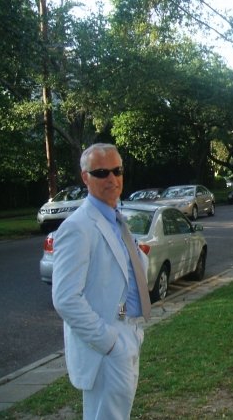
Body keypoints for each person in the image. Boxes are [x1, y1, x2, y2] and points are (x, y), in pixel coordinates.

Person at [52, 143, 151, 420]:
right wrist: (109, 341)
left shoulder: (116, 219)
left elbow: (117, 280)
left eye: (117, 170)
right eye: (101, 172)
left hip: (128, 330)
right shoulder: (77, 227)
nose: (112, 178)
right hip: (106, 347)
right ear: (85, 177)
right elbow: (65, 299)